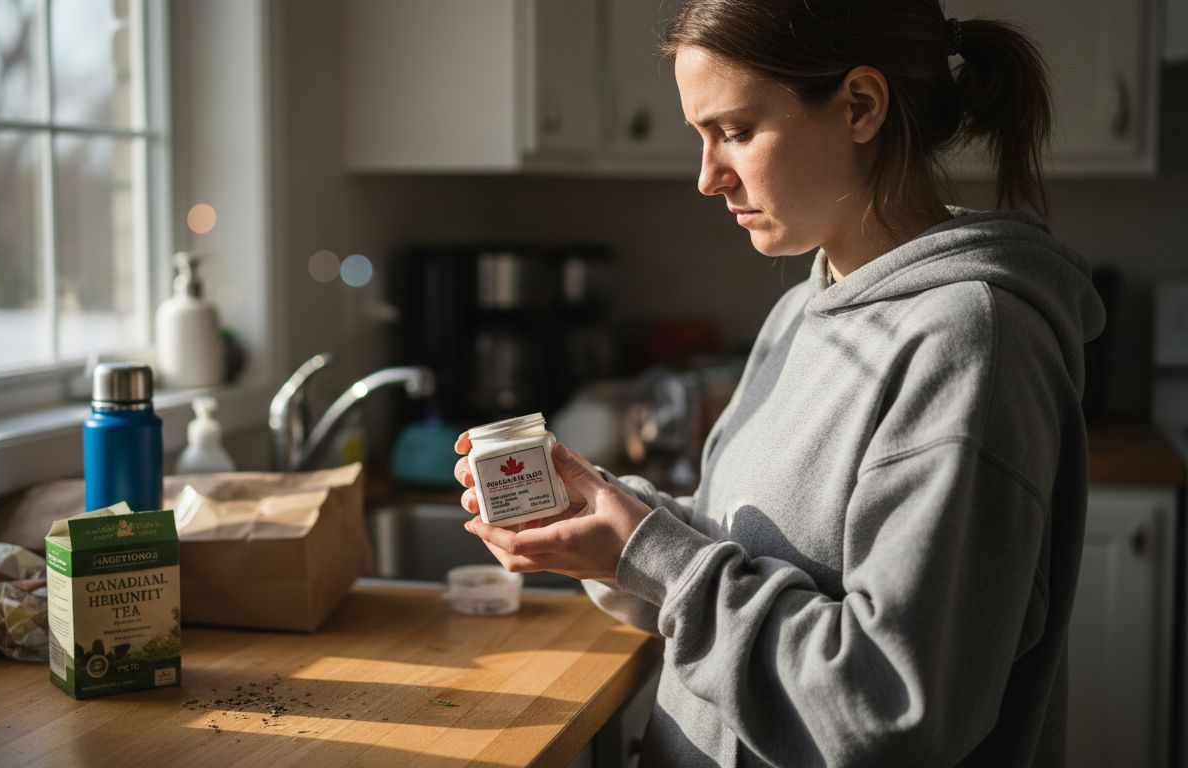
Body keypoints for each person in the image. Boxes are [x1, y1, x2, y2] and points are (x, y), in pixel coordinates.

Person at [454, 0, 1105, 765]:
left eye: (734, 131)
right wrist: (607, 517)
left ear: (860, 106)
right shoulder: (805, 306)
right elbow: (742, 553)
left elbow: (888, 707)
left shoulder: (972, 343)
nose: (706, 176)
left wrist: (645, 549)